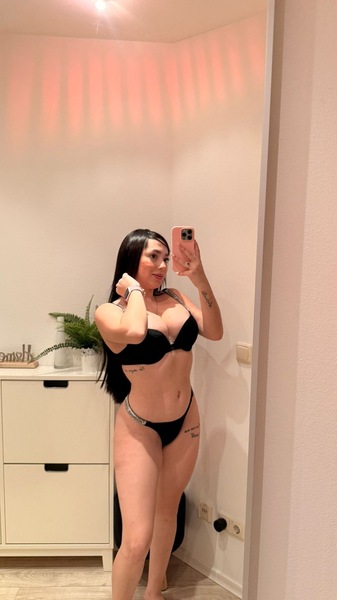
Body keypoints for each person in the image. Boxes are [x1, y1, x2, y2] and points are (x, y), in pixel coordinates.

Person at [95, 228, 223, 600]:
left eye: (165, 258)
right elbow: (136, 333)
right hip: (140, 427)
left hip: (186, 420)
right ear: (131, 258)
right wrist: (135, 291)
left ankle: (154, 591)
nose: (163, 265)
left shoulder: (176, 297)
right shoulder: (109, 312)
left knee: (168, 510)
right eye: (153, 256)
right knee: (136, 539)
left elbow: (214, 331)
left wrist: (199, 278)